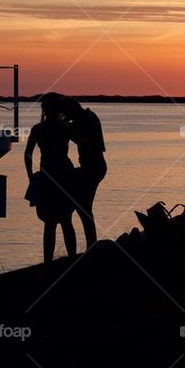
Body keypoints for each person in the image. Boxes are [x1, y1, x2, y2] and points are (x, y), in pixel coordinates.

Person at [24, 93, 77, 263]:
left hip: (51, 175)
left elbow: (27, 154)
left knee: (51, 223)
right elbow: (84, 142)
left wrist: (31, 176)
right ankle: (71, 261)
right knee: (64, 221)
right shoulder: (64, 127)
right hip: (60, 175)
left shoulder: (39, 129)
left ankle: (49, 264)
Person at [63, 97, 107, 250]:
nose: (65, 116)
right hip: (91, 167)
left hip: (93, 167)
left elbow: (86, 143)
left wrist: (68, 128)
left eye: (66, 112)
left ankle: (91, 245)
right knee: (84, 206)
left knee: (84, 207)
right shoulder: (88, 116)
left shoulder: (84, 120)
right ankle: (91, 244)